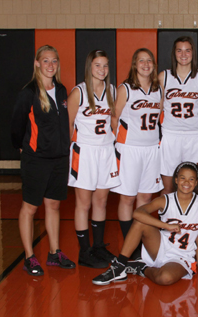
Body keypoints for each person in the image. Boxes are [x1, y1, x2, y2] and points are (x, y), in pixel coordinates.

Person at [11, 45, 75, 275]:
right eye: (46, 61)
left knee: (54, 205)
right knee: (30, 207)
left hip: (59, 158)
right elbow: (16, 126)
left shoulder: (60, 90)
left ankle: (54, 253)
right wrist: (22, 147)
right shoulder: (28, 92)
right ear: (37, 63)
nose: (50, 65)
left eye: (54, 61)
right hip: (36, 159)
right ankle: (29, 257)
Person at [92, 162, 198, 286]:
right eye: (182, 178)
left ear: (196, 182)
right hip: (159, 246)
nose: (186, 182)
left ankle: (141, 268)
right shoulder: (165, 200)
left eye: (191, 179)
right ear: (176, 180)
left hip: (181, 255)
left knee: (164, 278)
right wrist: (166, 226)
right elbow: (137, 213)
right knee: (140, 222)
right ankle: (119, 266)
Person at [68, 49, 119, 268]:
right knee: (84, 203)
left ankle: (98, 247)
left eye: (106, 65)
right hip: (85, 151)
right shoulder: (78, 92)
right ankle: (84, 251)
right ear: (90, 67)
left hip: (106, 150)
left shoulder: (112, 90)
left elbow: (115, 119)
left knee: (101, 200)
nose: (102, 70)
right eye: (98, 65)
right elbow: (68, 125)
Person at [111, 48, 163, 248]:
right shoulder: (125, 89)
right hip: (129, 149)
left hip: (151, 149)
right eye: (141, 61)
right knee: (127, 197)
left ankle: (140, 241)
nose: (146, 64)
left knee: (146, 197)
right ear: (134, 64)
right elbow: (114, 119)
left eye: (149, 60)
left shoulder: (159, 90)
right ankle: (128, 243)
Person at [159, 36, 198, 194]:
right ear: (174, 53)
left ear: (193, 53)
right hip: (170, 136)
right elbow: (158, 108)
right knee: (168, 186)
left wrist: (191, 128)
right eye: (179, 50)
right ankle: (166, 219)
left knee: (194, 185)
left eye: (187, 50)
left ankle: (191, 219)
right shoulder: (164, 77)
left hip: (193, 136)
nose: (183, 54)